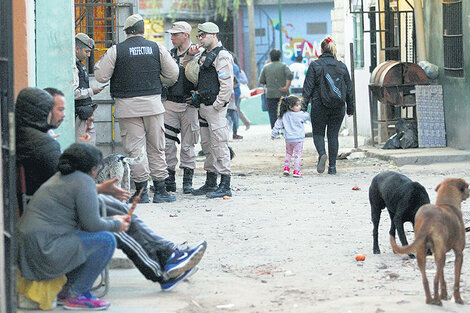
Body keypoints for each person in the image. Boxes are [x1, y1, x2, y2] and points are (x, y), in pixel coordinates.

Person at [15, 87, 207, 292]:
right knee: (117, 227)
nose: (61, 114)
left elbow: (64, 182)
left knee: (119, 210)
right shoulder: (42, 144)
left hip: (56, 205)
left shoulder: (30, 136)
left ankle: (168, 253)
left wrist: (97, 188)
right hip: (58, 213)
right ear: (39, 112)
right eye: (55, 110)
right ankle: (162, 271)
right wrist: (100, 193)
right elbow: (68, 185)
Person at [17, 143, 130, 310]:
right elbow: (92, 225)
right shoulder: (83, 181)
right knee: (106, 240)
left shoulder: (62, 177)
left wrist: (111, 219)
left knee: (88, 238)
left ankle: (67, 289)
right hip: (45, 248)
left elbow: (86, 222)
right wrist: (116, 223)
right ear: (93, 168)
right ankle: (79, 294)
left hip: (33, 247)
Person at [94, 14, 179, 203]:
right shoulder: (156, 48)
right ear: (143, 30)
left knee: (135, 150)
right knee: (157, 147)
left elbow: (100, 76)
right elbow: (173, 73)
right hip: (153, 105)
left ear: (126, 31)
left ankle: (141, 193)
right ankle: (161, 191)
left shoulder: (117, 50)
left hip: (127, 107)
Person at [185, 22, 234, 198]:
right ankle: (211, 182)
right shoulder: (204, 55)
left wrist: (218, 105)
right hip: (204, 106)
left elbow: (226, 85)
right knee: (207, 146)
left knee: (219, 145)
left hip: (214, 108)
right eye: (199, 35)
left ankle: (225, 183)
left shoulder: (222, 56)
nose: (200, 38)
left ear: (213, 35)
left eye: (203, 35)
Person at [302, 36, 354, 175]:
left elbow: (308, 87)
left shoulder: (315, 65)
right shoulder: (342, 66)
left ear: (321, 49)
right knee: (333, 135)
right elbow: (349, 89)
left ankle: (322, 154)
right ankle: (332, 167)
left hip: (319, 105)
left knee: (318, 133)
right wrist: (350, 108)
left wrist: (303, 106)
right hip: (338, 106)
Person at [163, 21, 199, 194]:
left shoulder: (198, 54)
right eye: (171, 34)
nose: (172, 37)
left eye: (175, 34)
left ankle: (187, 181)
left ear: (186, 35)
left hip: (189, 104)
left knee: (188, 144)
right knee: (167, 143)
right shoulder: (168, 55)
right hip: (170, 103)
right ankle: (169, 179)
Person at [74, 33, 105, 145]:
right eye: (86, 51)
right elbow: (73, 93)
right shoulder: (73, 67)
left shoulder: (80, 65)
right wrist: (91, 91)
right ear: (77, 49)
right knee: (83, 148)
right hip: (80, 114)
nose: (88, 55)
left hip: (86, 113)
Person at [271, 95, 310, 178]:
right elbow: (307, 116)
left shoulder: (284, 115)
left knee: (288, 153)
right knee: (297, 155)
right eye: (297, 105)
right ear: (291, 107)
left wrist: (273, 134)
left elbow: (277, 125)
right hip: (298, 139)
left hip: (288, 139)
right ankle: (296, 171)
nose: (300, 107)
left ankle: (286, 168)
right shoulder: (300, 115)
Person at [259, 49, 293, 129]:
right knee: (285, 111)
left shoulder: (266, 67)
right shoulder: (283, 66)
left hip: (270, 94)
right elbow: (290, 75)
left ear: (270, 57)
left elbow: (261, 81)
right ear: (279, 57)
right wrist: (286, 87)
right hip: (283, 93)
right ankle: (285, 128)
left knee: (272, 113)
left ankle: (275, 129)